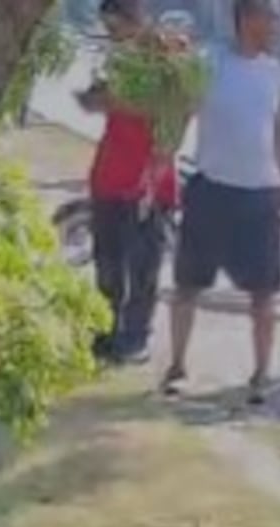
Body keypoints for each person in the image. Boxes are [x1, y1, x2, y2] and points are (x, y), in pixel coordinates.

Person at [162, 0, 280, 402]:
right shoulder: (209, 63)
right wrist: (160, 161)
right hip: (212, 190)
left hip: (260, 196)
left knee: (264, 293)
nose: (277, 25)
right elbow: (182, 115)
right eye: (271, 17)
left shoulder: (273, 71)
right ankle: (177, 365)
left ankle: (261, 374)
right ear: (247, 19)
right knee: (188, 285)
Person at [76, 0, 178, 363]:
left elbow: (174, 109)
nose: (111, 35)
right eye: (107, 29)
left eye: (115, 27)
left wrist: (116, 102)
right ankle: (108, 329)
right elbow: (104, 97)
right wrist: (95, 99)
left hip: (149, 179)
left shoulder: (167, 54)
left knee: (143, 266)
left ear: (136, 17)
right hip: (109, 174)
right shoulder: (116, 58)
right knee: (108, 262)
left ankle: (136, 337)